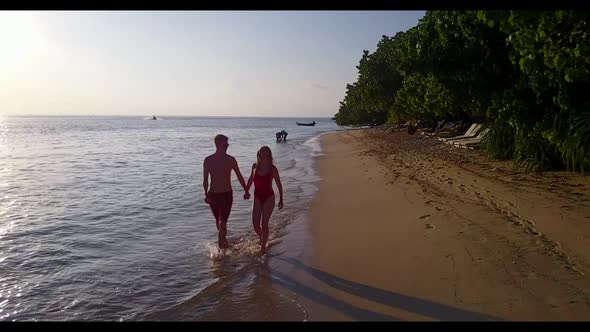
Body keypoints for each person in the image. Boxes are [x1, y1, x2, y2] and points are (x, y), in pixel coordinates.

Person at [203, 134, 249, 249]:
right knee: (219, 222)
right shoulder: (208, 160)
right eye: (225, 144)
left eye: (228, 143)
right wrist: (206, 194)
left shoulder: (230, 160)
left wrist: (246, 190)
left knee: (222, 222)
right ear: (218, 144)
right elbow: (205, 180)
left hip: (226, 194)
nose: (227, 145)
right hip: (213, 194)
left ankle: (220, 250)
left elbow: (239, 176)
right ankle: (224, 243)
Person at [244, 146, 284, 255]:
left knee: (264, 223)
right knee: (256, 224)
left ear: (269, 155)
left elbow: (279, 184)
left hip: (269, 197)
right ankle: (262, 236)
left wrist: (281, 198)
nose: (263, 155)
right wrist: (246, 191)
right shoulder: (254, 166)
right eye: (261, 153)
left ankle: (263, 248)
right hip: (257, 197)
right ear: (259, 154)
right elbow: (250, 179)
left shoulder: (273, 168)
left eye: (266, 154)